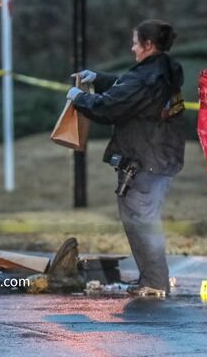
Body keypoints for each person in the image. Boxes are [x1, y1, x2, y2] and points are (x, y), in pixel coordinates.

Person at [68, 19, 186, 297]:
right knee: (145, 219)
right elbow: (128, 88)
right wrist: (97, 78)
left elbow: (110, 107)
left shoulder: (146, 77)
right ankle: (152, 280)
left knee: (141, 222)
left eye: (135, 43)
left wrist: (78, 98)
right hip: (161, 156)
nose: (132, 48)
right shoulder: (165, 69)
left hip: (145, 160)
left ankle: (155, 283)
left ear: (147, 45)